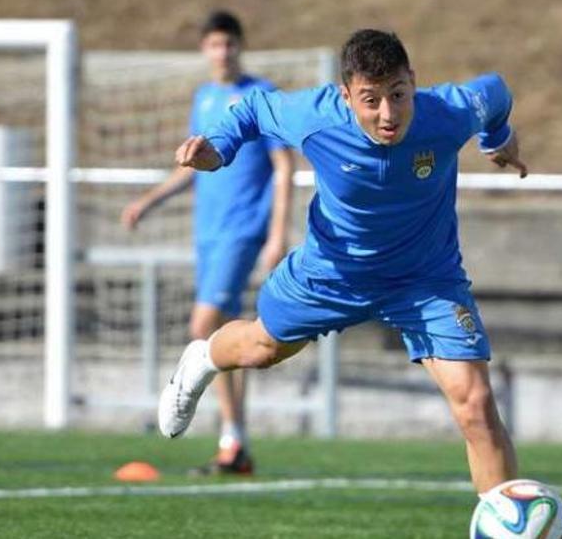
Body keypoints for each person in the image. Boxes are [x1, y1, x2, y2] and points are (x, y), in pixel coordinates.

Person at [158, 28, 531, 495]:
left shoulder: (450, 112)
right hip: (331, 273)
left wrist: (498, 138)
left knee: (476, 405)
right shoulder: (316, 116)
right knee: (262, 349)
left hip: (424, 279)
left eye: (398, 95)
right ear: (345, 96)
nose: (388, 114)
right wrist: (220, 146)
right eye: (371, 100)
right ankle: (201, 360)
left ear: (413, 81)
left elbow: (495, 92)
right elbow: (253, 110)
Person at [122, 11, 294, 476]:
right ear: (205, 50)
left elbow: (283, 165)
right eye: (215, 45)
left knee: (204, 325)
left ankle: (232, 436)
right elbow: (191, 167)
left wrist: (278, 232)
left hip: (243, 231)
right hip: (208, 233)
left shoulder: (260, 97)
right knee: (223, 333)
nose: (223, 52)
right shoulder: (203, 97)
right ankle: (234, 442)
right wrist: (149, 200)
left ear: (241, 47)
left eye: (230, 44)